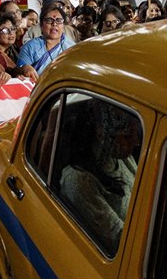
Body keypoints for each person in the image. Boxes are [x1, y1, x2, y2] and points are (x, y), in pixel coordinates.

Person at [59, 102, 140, 254]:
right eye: (128, 136)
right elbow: (119, 240)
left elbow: (143, 190)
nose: (136, 142)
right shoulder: (78, 181)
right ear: (103, 134)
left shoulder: (119, 157)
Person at [17, 6, 76, 79]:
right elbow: (17, 71)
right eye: (49, 20)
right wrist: (24, 68)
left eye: (59, 20)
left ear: (63, 26)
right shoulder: (30, 47)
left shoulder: (72, 48)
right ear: (41, 25)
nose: (54, 24)